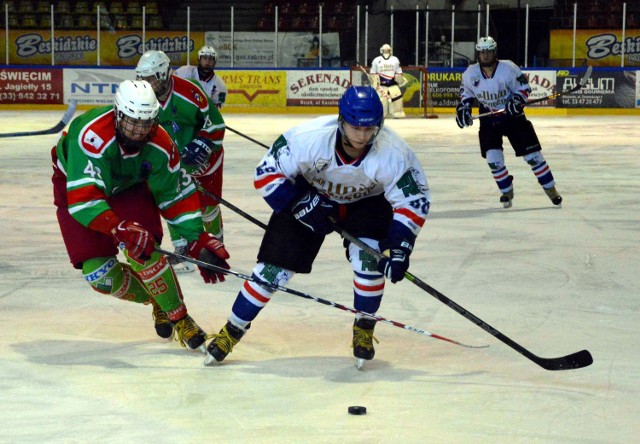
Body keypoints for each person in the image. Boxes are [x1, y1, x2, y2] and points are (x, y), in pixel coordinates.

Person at [203, 86, 430, 369]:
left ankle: (364, 325)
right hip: (309, 195)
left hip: (367, 204)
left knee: (370, 260)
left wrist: (401, 246)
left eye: (370, 128)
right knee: (272, 270)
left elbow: (413, 200)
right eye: (355, 127)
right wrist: (299, 203)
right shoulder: (308, 138)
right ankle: (232, 329)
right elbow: (266, 174)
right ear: (341, 120)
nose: (362, 136)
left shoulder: (394, 152)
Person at [51, 80, 231, 352]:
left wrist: (197, 238)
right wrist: (117, 227)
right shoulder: (91, 137)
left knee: (143, 250)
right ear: (118, 114)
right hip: (77, 189)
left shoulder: (160, 143)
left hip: (129, 186)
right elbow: (84, 198)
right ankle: (158, 299)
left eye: (147, 122)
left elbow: (175, 196)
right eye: (133, 122)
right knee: (100, 276)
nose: (139, 131)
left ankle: (180, 318)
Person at [136, 50, 227, 273]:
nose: (145, 84)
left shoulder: (190, 92)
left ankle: (216, 244)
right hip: (170, 160)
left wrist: (203, 144)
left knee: (207, 207)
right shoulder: (142, 98)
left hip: (205, 160)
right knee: (170, 201)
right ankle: (182, 250)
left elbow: (216, 126)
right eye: (142, 79)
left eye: (150, 78)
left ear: (163, 74)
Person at [456, 36, 562, 208]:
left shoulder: (509, 68)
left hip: (513, 117)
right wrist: (464, 109)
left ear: (494, 52)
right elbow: (465, 93)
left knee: (533, 157)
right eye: (482, 52)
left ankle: (550, 189)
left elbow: (524, 88)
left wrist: (517, 100)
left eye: (488, 51)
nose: (485, 55)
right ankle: (506, 190)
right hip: (489, 118)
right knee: (493, 159)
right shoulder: (470, 73)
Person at [174, 45, 228, 110]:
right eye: (204, 58)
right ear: (199, 59)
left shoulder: (219, 85)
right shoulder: (185, 71)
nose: (207, 62)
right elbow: (171, 85)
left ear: (214, 62)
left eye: (211, 59)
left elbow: (215, 108)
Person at [370, 43, 407, 119]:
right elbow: (373, 74)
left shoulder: (395, 59)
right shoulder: (376, 60)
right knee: (381, 102)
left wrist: (399, 80)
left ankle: (396, 113)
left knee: (397, 100)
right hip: (381, 87)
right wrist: (375, 83)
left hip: (393, 85)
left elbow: (399, 73)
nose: (386, 51)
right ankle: (381, 114)